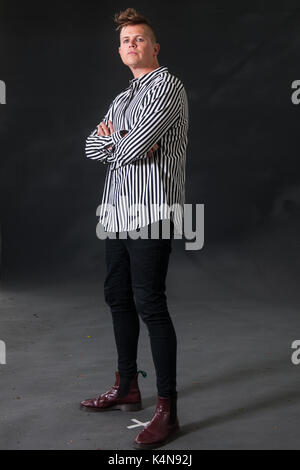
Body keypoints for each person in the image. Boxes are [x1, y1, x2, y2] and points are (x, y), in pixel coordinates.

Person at [81, 7, 189, 449]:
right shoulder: (122, 97)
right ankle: (127, 385)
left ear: (154, 46)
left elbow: (137, 149)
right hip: (115, 215)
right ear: (119, 50)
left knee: (151, 304)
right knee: (117, 298)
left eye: (140, 39)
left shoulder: (168, 86)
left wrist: (120, 140)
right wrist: (120, 140)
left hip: (151, 212)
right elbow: (92, 147)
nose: (132, 45)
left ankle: (168, 409)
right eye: (126, 40)